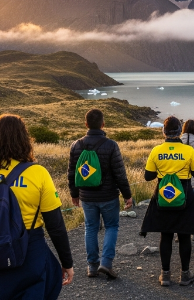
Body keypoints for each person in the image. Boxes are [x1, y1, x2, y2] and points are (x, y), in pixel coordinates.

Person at [0, 115, 73, 300]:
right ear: (25, 140)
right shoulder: (38, 173)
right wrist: (67, 263)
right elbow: (55, 225)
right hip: (30, 257)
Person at [68, 109, 133, 279]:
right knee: (111, 226)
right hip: (109, 196)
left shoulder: (76, 145)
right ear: (103, 124)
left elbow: (71, 173)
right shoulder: (111, 145)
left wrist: (74, 194)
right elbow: (120, 173)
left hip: (86, 196)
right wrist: (127, 195)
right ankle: (106, 263)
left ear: (86, 124)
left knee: (90, 228)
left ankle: (92, 266)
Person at [140, 117, 194, 287]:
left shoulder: (156, 151)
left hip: (163, 195)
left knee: (166, 235)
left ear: (164, 132)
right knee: (184, 235)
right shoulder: (188, 151)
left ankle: (165, 275)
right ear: (179, 132)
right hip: (184, 195)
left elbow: (148, 176)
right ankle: (185, 275)